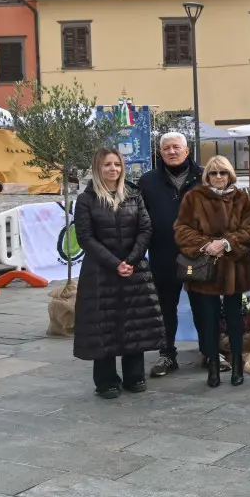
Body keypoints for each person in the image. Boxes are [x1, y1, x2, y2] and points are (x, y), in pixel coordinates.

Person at [74, 148, 167, 399]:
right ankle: (106, 381)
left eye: (117, 164)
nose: (113, 169)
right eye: (107, 165)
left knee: (134, 322)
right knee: (104, 325)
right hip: (100, 273)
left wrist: (131, 260)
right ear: (98, 168)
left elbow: (145, 229)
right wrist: (115, 263)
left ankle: (134, 376)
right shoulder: (86, 199)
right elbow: (85, 238)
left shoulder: (134, 195)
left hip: (133, 270)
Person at [174, 155, 250, 388]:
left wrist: (227, 243)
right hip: (205, 269)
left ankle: (237, 365)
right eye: (213, 173)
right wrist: (206, 245)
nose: (219, 177)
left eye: (223, 173)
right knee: (208, 320)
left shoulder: (242, 197)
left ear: (230, 174)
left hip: (235, 267)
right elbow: (181, 229)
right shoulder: (194, 197)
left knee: (234, 319)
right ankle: (212, 365)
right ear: (207, 176)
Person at [137, 132, 203, 377]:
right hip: (163, 254)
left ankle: (209, 351)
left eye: (176, 147)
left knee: (203, 305)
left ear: (187, 151)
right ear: (160, 152)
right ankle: (167, 354)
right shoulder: (148, 181)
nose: (172, 152)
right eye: (166, 148)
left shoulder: (204, 177)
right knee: (165, 308)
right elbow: (140, 219)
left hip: (199, 256)